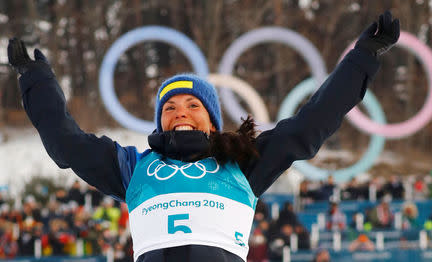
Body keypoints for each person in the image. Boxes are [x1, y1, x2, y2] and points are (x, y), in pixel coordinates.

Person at [7, 11, 400, 262]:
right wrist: (35, 79)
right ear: (160, 122)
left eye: (193, 105)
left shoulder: (242, 160)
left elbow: (314, 122)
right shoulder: (130, 166)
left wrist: (364, 55)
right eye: (170, 107)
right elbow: (66, 144)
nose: (180, 112)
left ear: (211, 120)